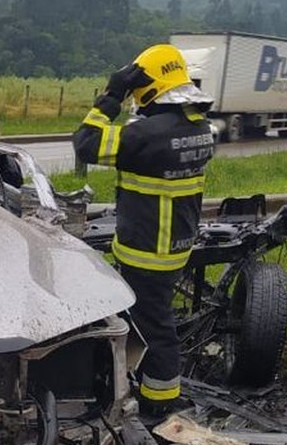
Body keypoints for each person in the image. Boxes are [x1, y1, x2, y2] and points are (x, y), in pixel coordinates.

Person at [72, 44, 215, 417]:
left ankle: (160, 402)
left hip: (147, 250)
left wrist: (112, 95)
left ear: (149, 88)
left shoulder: (147, 136)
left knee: (154, 325)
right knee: (153, 317)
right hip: (175, 244)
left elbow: (85, 143)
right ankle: (147, 384)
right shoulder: (199, 127)